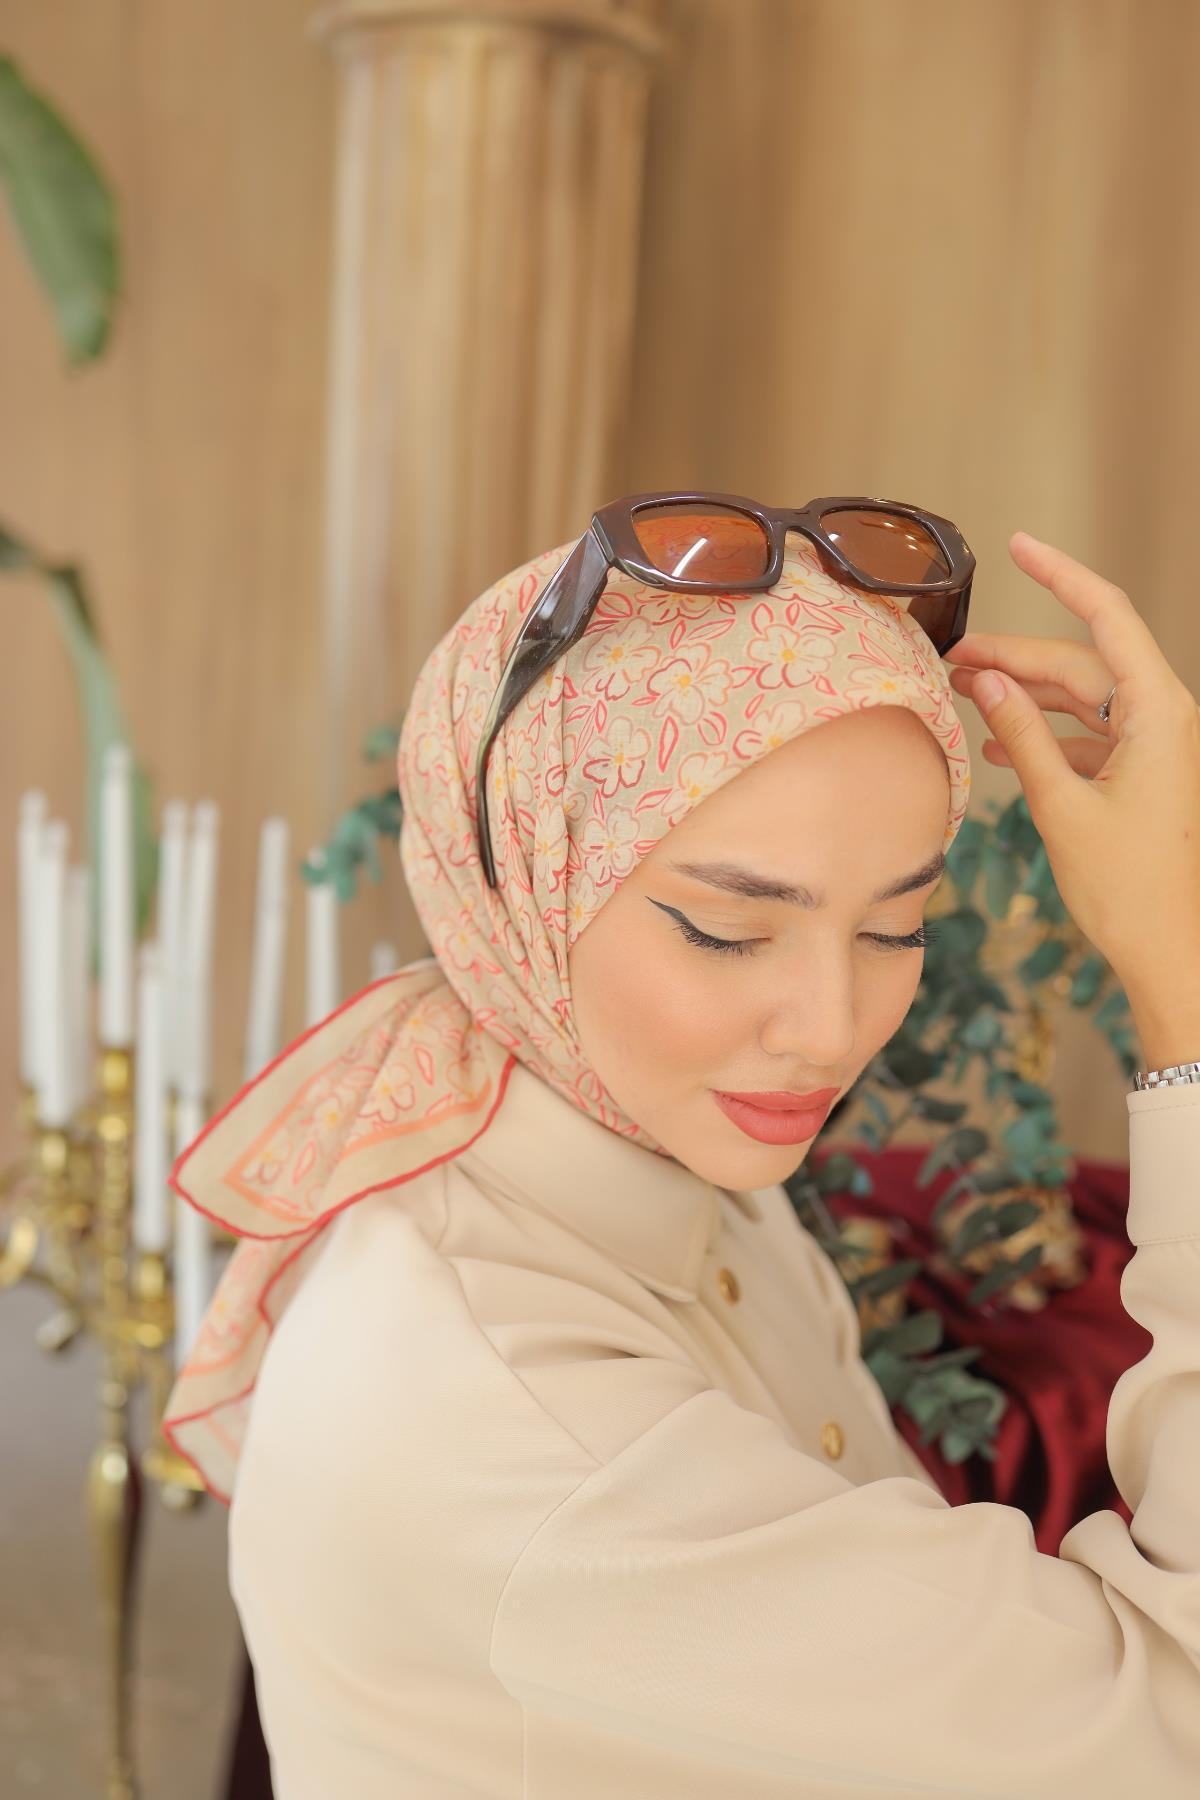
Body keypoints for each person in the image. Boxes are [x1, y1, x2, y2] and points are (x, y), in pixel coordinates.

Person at [163, 513, 1200, 1797]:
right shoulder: (525, 1432)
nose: (830, 1031)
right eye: (726, 932)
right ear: (524, 882)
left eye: (895, 927)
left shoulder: (652, 1140)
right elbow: (1172, 1728)